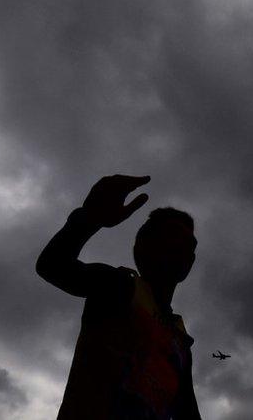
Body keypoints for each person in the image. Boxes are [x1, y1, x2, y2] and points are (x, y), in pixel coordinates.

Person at [36, 174, 202, 419]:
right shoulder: (119, 286)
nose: (182, 248)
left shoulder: (179, 339)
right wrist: (89, 218)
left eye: (190, 244)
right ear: (141, 248)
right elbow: (52, 266)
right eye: (171, 237)